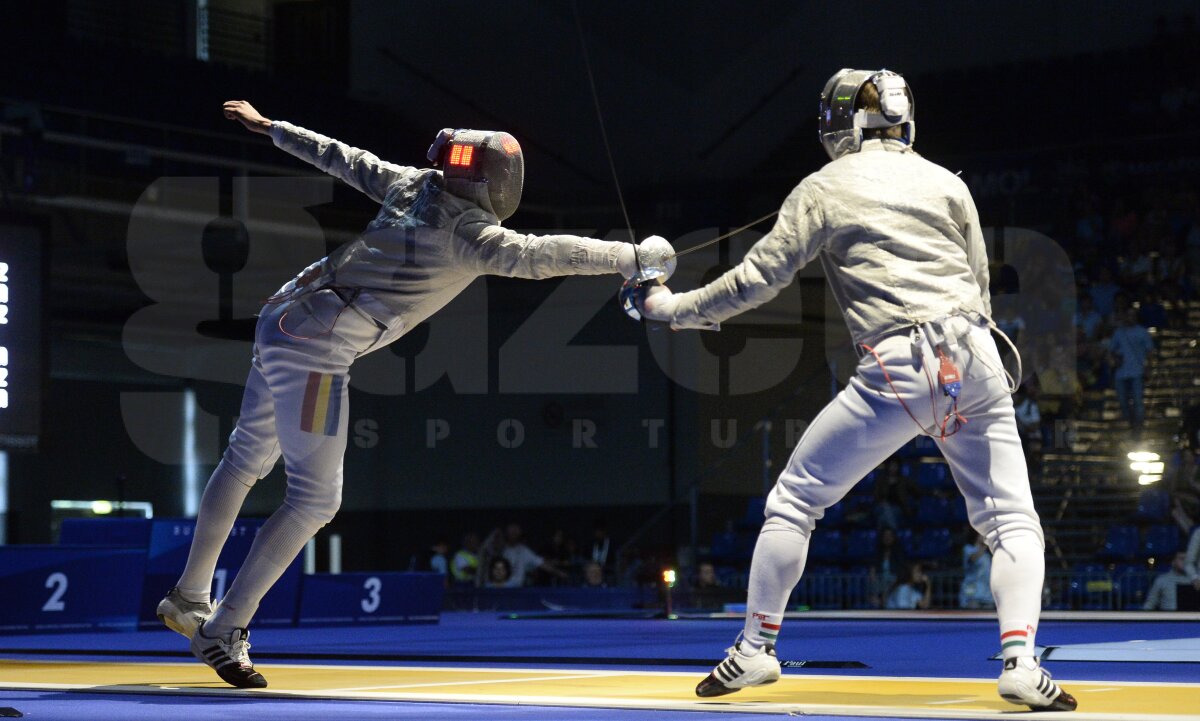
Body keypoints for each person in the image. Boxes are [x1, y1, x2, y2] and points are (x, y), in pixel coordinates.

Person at [154, 100, 675, 688]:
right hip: (316, 351)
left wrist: (271, 127)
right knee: (314, 501)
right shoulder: (470, 236)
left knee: (245, 458)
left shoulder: (413, 184)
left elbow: (341, 157)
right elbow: (541, 254)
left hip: (280, 316)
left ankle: (190, 594)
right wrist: (632, 258)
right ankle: (224, 627)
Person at [636, 68, 1075, 710]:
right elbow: (979, 287)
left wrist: (668, 309)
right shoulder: (949, 183)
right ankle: (1019, 662)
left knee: (795, 500)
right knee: (1012, 520)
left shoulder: (822, 186)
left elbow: (756, 280)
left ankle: (755, 650)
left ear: (840, 122)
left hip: (897, 363)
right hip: (975, 355)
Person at [1107, 308, 1155, 432]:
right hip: (1121, 372)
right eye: (1128, 315)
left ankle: (1139, 425)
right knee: (1122, 400)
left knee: (1138, 400)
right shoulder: (1119, 332)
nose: (1130, 318)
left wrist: (1148, 367)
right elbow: (1111, 350)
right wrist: (1114, 360)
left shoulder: (1142, 332)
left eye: (1132, 315)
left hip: (1137, 371)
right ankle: (1128, 423)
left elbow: (1150, 351)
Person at [960, 532, 995, 609]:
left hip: (987, 593)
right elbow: (973, 559)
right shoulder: (968, 549)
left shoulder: (987, 554)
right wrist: (985, 546)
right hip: (972, 591)